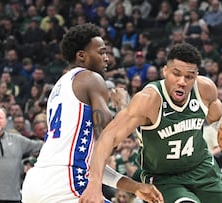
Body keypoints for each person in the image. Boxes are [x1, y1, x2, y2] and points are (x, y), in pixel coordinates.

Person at [80, 42, 222, 203]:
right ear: (165, 71)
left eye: (189, 76)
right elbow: (108, 138)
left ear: (196, 75)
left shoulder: (204, 89)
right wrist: (94, 183)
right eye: (176, 74)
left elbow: (218, 119)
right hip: (165, 177)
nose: (182, 82)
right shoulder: (149, 100)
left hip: (202, 169)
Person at [21, 23, 163, 203]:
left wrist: (134, 187)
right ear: (81, 55)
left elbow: (92, 162)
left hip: (36, 184)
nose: (107, 58)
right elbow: (108, 144)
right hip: (66, 183)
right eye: (102, 52)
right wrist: (123, 108)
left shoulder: (58, 88)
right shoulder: (91, 78)